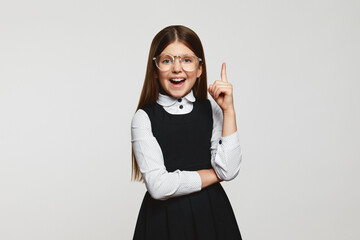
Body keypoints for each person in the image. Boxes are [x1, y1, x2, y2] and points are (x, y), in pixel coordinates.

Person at [131, 25, 242, 240]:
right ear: (155, 69)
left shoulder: (213, 110)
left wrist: (228, 111)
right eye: (167, 60)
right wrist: (214, 174)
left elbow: (229, 170)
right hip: (163, 223)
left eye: (187, 60)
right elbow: (159, 186)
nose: (177, 68)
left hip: (212, 217)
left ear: (200, 68)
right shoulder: (144, 118)